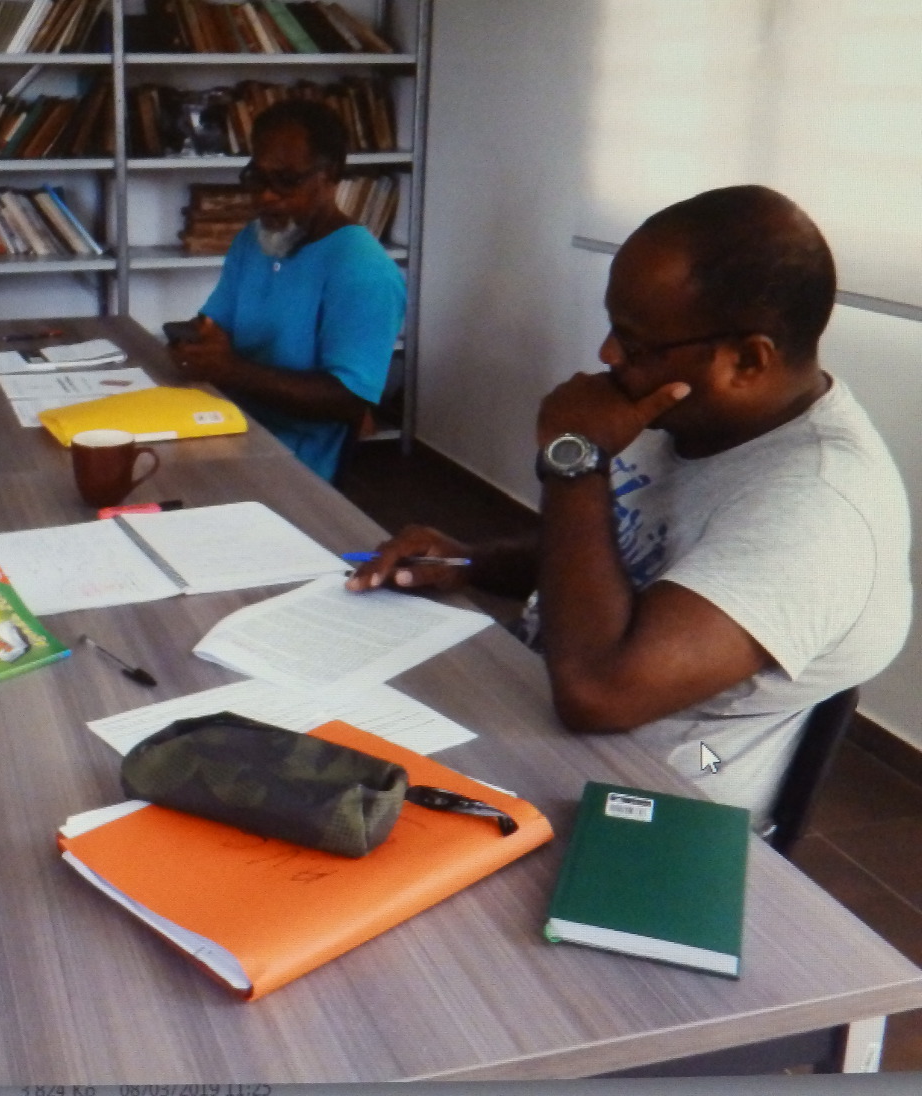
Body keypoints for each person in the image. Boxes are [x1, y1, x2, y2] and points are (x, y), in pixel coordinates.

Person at [348, 185, 911, 828]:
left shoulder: (818, 510)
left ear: (747, 360)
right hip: (535, 724)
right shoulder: (691, 414)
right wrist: (469, 562)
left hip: (645, 811)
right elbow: (625, 555)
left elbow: (598, 693)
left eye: (636, 343)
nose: (608, 355)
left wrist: (574, 459)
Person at [167, 100, 406, 482]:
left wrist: (232, 370)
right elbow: (214, 324)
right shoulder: (254, 239)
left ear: (331, 175)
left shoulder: (363, 270)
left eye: (286, 181)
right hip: (227, 421)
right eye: (257, 178)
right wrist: (196, 344)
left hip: (292, 462)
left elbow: (349, 400)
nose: (265, 196)